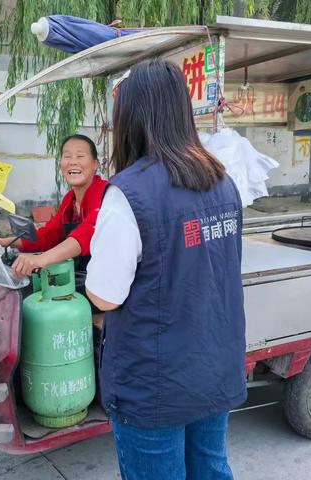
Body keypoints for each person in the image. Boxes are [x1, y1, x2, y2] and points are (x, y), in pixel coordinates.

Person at [85, 60, 247, 480]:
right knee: (210, 469)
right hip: (212, 365)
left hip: (154, 380)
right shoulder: (222, 181)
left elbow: (105, 296)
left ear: (130, 119)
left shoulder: (128, 193)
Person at [0, 134, 107, 279]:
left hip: (105, 281)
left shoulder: (104, 194)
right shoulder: (69, 200)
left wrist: (41, 259)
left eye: (80, 156)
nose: (73, 162)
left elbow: (86, 234)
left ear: (95, 164)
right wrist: (1, 241)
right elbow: (48, 235)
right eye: (67, 156)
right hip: (82, 276)